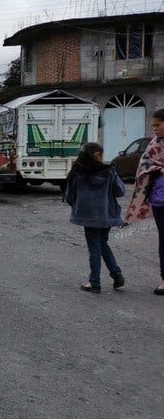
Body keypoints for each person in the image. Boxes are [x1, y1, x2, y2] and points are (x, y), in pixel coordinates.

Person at [64, 143, 125, 293]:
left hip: (88, 216)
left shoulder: (78, 172)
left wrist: (79, 206)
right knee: (102, 244)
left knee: (95, 248)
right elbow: (120, 191)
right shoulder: (109, 171)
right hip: (106, 214)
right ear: (98, 155)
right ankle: (116, 274)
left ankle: (95, 282)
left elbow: (69, 196)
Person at [124, 107, 164, 294]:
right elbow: (144, 165)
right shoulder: (154, 144)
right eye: (152, 125)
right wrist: (158, 169)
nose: (154, 128)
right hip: (159, 199)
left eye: (158, 125)